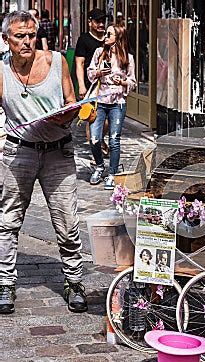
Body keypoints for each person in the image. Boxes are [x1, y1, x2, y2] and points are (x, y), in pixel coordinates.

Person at [0, 11, 87, 314]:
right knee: (8, 222)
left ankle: (75, 281)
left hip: (57, 152)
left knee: (67, 223)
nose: (27, 41)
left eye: (31, 35)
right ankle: (5, 284)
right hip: (19, 152)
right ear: (5, 40)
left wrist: (68, 113)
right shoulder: (1, 71)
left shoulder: (56, 61)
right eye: (19, 36)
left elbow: (71, 100)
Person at [87, 23, 136, 189]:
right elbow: (90, 73)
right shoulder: (99, 53)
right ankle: (99, 166)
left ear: (118, 38)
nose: (105, 37)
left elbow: (133, 82)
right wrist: (99, 73)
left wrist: (122, 82)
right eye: (106, 34)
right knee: (95, 138)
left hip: (117, 103)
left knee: (114, 140)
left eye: (109, 34)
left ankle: (112, 173)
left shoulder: (127, 58)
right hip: (99, 101)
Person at [75, 8, 108, 156]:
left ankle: (99, 140)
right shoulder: (84, 40)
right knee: (92, 117)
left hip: (108, 86)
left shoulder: (109, 38)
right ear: (90, 22)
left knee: (107, 120)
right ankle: (96, 153)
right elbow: (79, 64)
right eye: (97, 21)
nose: (101, 24)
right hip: (90, 85)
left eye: (103, 21)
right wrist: (81, 86)